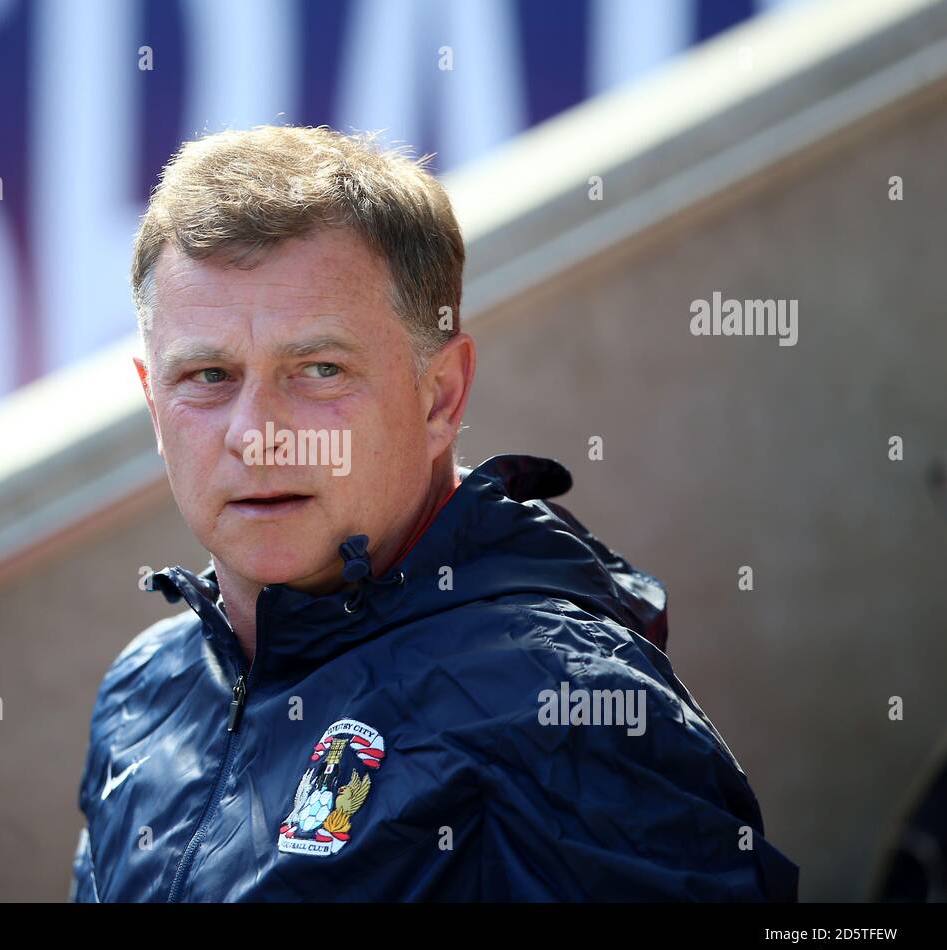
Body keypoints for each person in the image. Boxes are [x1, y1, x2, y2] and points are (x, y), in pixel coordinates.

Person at [68, 124, 799, 902]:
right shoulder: (146, 686)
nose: (255, 435)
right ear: (154, 401)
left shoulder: (559, 704)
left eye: (319, 370)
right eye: (208, 376)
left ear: (440, 396)